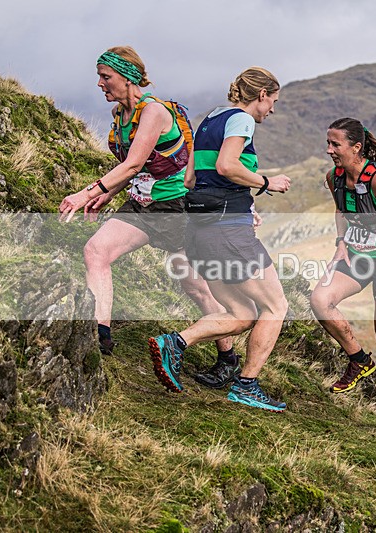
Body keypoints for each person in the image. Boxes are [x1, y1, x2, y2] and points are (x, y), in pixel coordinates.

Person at [57, 46, 236, 373]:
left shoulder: (152, 112)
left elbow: (136, 162)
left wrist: (86, 193)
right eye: (99, 76)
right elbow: (135, 168)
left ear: (127, 77)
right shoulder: (121, 116)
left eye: (105, 77)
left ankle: (228, 359)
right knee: (96, 251)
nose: (100, 84)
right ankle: (101, 336)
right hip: (142, 204)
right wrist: (108, 194)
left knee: (194, 284)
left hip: (174, 206)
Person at [148, 67, 291, 410]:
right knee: (276, 307)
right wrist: (265, 182)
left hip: (201, 229)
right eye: (273, 100)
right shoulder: (242, 120)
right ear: (261, 95)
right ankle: (247, 385)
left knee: (242, 313)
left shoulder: (211, 118)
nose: (272, 109)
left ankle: (175, 343)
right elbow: (227, 166)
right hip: (228, 231)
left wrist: (242, 203)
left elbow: (190, 178)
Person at [309, 118, 376, 429]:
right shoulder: (334, 177)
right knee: (319, 300)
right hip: (357, 253)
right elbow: (341, 210)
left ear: (356, 147)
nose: (329, 150)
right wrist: (341, 243)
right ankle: (358, 359)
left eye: (335, 144)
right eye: (328, 143)